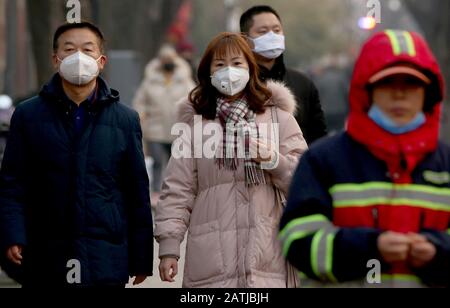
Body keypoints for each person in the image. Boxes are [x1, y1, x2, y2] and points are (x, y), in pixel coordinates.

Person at [280, 30, 449, 288]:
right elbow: (297, 242)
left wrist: (436, 253)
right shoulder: (323, 160)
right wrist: (369, 247)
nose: (399, 94)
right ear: (366, 90)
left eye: (411, 84)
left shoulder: (446, 163)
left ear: (429, 93)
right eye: (388, 83)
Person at [0, 22, 153, 287]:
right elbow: (13, 183)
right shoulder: (28, 115)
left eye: (87, 49)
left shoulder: (125, 120)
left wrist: (141, 256)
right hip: (45, 253)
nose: (78, 57)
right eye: (69, 50)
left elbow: (136, 192)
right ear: (55, 59)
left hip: (105, 255)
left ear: (101, 60)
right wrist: (12, 234)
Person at [154, 33, 307, 288]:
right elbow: (178, 190)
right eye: (220, 65)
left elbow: (304, 182)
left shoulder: (278, 118)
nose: (229, 72)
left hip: (268, 257)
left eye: (237, 64)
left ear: (250, 68)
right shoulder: (194, 125)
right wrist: (169, 247)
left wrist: (273, 161)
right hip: (212, 258)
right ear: (208, 72)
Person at [240, 5, 327, 145]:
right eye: (263, 31)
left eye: (276, 30)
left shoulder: (303, 83)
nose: (272, 36)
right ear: (245, 40)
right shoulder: (238, 84)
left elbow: (319, 136)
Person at [133, 45, 195, 197]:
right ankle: (155, 191)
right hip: (155, 130)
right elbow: (139, 102)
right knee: (157, 161)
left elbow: (195, 99)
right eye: (165, 59)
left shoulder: (184, 80)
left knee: (175, 163)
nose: (168, 62)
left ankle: (174, 191)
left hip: (177, 129)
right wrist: (140, 116)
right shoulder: (150, 81)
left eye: (171, 59)